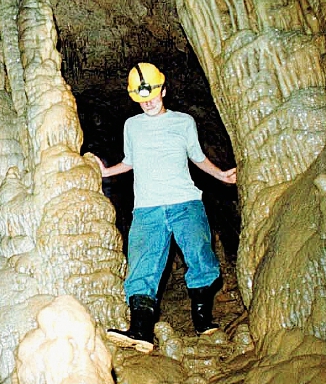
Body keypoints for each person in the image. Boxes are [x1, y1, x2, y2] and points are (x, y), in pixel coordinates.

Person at [88, 62, 236, 349]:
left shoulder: (184, 122)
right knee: (142, 265)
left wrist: (220, 174)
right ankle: (140, 331)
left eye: (152, 96)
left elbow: (196, 156)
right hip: (147, 207)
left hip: (185, 201)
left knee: (200, 256)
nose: (148, 103)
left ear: (164, 90)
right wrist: (107, 171)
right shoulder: (132, 126)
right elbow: (130, 161)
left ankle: (203, 320)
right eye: (142, 100)